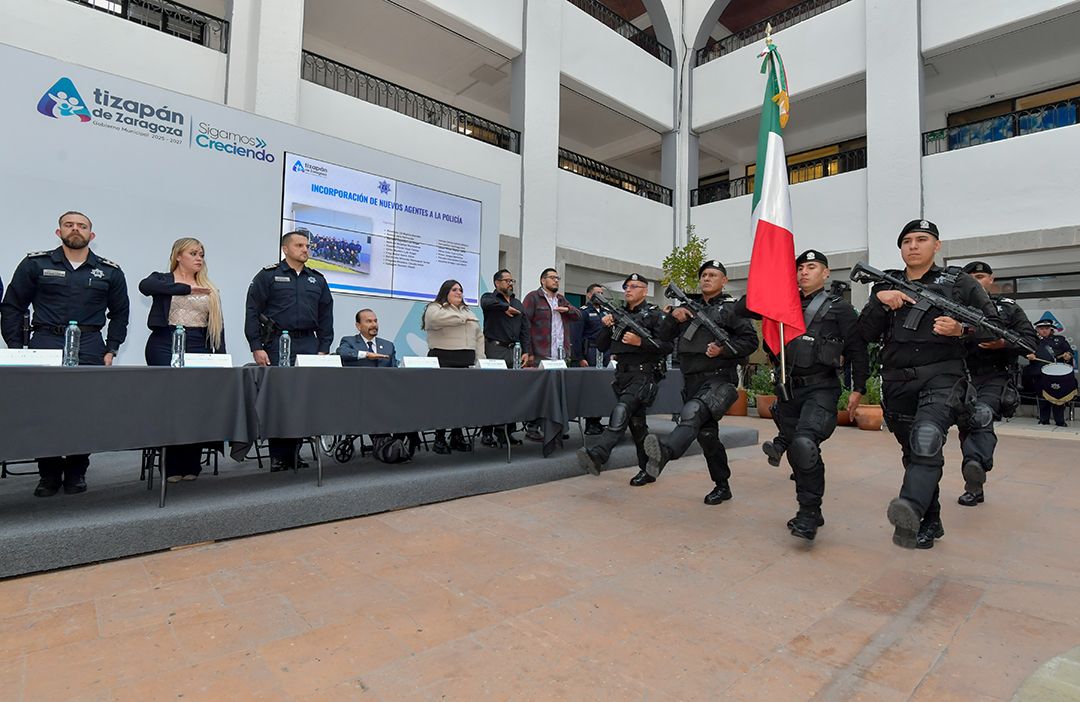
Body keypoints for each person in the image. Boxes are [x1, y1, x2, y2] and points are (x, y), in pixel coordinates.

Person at [857, 219, 1000, 549]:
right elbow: (864, 334)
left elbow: (994, 326)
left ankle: (909, 507)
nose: (913, 245)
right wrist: (880, 300)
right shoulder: (887, 283)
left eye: (922, 239)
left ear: (936, 246)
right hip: (897, 382)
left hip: (941, 376)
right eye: (906, 240)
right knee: (915, 454)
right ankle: (931, 520)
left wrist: (961, 329)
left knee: (926, 438)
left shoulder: (959, 282)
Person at [734, 250, 868, 540]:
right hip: (788, 387)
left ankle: (808, 512)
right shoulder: (783, 303)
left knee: (805, 443)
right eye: (800, 268)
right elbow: (741, 309)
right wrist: (770, 285)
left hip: (821, 387)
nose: (804, 272)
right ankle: (811, 508)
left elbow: (857, 349)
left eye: (812, 267)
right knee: (798, 450)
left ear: (826, 272)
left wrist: (858, 388)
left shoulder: (838, 308)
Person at [0, 211, 129, 497]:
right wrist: (16, 348)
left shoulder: (109, 271)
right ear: (58, 232)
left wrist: (112, 348)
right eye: (69, 225)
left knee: (84, 411)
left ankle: (76, 470)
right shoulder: (36, 264)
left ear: (91, 236)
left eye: (82, 226)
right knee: (44, 410)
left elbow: (120, 313)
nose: (75, 229)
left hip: (90, 344)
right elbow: (12, 305)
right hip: (45, 341)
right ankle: (48, 474)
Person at [641, 260, 759, 503]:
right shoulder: (687, 307)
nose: (707, 278)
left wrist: (723, 350)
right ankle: (722, 485)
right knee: (706, 436)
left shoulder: (732, 310)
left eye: (713, 275)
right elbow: (662, 337)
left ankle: (665, 452)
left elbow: (750, 342)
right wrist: (673, 317)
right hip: (692, 380)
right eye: (704, 274)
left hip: (719, 380)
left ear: (724, 281)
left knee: (691, 413)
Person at [139, 237, 227, 482]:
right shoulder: (162, 280)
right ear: (178, 256)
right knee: (170, 404)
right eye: (193, 253)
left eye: (201, 253)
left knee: (195, 405)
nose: (199, 257)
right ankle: (170, 464)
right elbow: (144, 286)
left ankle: (192, 463)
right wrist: (186, 289)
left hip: (198, 343)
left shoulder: (209, 287)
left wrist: (220, 360)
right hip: (165, 343)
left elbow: (217, 331)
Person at [245, 230, 334, 471]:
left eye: (307, 246)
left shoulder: (317, 279)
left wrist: (324, 348)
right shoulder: (268, 276)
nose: (305, 249)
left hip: (308, 344)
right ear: (286, 249)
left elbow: (326, 316)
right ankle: (279, 456)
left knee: (303, 400)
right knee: (280, 400)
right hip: (276, 344)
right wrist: (256, 346)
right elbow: (252, 311)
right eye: (299, 245)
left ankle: (295, 453)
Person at [955, 262, 1037, 506]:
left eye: (980, 276)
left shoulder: (1008, 309)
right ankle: (975, 482)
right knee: (967, 430)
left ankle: (975, 468)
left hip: (994, 376)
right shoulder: (952, 307)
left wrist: (1004, 344)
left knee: (981, 415)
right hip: (960, 375)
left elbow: (1031, 342)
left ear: (991, 279)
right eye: (970, 278)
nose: (976, 282)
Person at [577, 274, 672, 483]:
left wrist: (640, 342)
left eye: (634, 286)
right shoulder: (617, 314)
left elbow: (667, 346)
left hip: (644, 374)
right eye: (627, 286)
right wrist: (606, 326)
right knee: (637, 426)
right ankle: (648, 470)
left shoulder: (655, 315)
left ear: (645, 291)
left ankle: (599, 454)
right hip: (622, 375)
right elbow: (601, 345)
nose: (629, 290)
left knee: (621, 410)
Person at [422, 279, 485, 454]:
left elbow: (479, 338)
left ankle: (456, 436)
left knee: (461, 402)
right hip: (443, 360)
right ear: (445, 292)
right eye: (454, 290)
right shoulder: (435, 308)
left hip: (465, 362)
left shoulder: (468, 311)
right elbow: (434, 320)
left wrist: (480, 360)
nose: (459, 293)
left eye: (461, 290)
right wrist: (463, 318)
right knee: (443, 402)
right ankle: (439, 438)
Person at [522, 268, 582, 440]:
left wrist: (567, 310)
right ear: (542, 280)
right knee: (540, 393)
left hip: (560, 355)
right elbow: (525, 324)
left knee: (558, 393)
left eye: (558, 278)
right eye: (552, 278)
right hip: (541, 353)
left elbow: (578, 315)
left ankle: (555, 427)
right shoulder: (533, 297)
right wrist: (529, 351)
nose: (556, 280)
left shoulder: (561, 299)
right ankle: (533, 427)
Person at [479, 270, 531, 447]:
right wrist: (504, 307)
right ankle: (487, 432)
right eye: (507, 280)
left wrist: (526, 351)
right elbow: (485, 303)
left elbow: (525, 329)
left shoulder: (518, 302)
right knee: (492, 393)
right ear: (497, 283)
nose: (510, 283)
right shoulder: (490, 298)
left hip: (513, 351)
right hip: (494, 349)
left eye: (512, 280)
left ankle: (506, 432)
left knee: (512, 393)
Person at [1029, 314, 1075, 426]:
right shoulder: (1032, 341)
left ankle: (1060, 421)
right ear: (1037, 330)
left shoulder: (1060, 340)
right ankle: (1044, 420)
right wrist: (1029, 356)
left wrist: (1068, 355)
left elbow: (1069, 351)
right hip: (1040, 373)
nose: (1044, 331)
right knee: (1042, 397)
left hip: (1056, 375)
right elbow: (1024, 351)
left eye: (1046, 329)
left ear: (1051, 329)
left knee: (1058, 398)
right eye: (1041, 329)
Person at [577, 284, 609, 435]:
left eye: (602, 293)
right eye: (597, 293)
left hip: (605, 352)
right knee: (592, 387)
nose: (600, 296)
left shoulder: (606, 312)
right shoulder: (583, 312)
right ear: (589, 295)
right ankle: (590, 423)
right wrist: (580, 358)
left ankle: (598, 420)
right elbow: (576, 336)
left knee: (603, 386)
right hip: (590, 350)